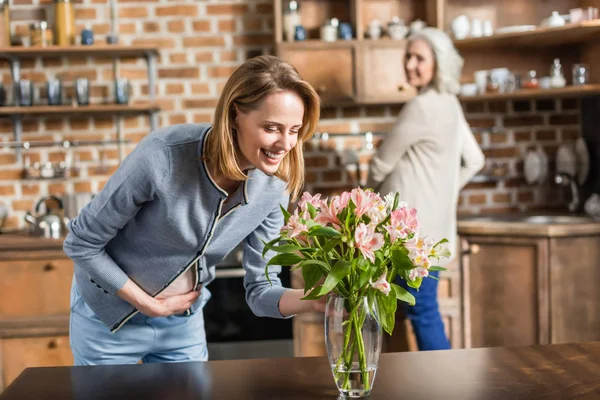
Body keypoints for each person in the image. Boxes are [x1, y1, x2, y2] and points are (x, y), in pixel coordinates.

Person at [64, 55, 322, 365]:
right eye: (271, 128)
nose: (285, 144)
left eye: (294, 130)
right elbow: (81, 243)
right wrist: (147, 304)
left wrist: (316, 301)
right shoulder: (163, 155)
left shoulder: (274, 187)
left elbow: (261, 291)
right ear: (234, 114)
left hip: (183, 326)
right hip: (108, 321)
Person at [367, 28, 485, 351]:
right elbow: (475, 160)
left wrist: (364, 201)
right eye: (408, 56)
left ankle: (442, 387)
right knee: (420, 312)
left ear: (439, 64)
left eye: (419, 58)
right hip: (435, 235)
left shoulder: (421, 107)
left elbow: (380, 165)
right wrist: (446, 191)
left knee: (420, 314)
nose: (410, 65)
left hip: (410, 238)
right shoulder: (450, 104)